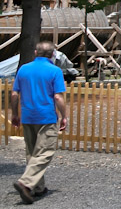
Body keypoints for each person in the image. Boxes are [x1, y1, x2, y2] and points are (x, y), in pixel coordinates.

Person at [10, 41, 68, 205]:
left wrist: (15, 113)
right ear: (52, 55)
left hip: (28, 117)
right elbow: (58, 97)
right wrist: (64, 116)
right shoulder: (55, 71)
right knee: (45, 153)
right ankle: (26, 182)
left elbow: (15, 94)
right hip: (46, 117)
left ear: (36, 52)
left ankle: (38, 188)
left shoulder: (23, 69)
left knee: (32, 153)